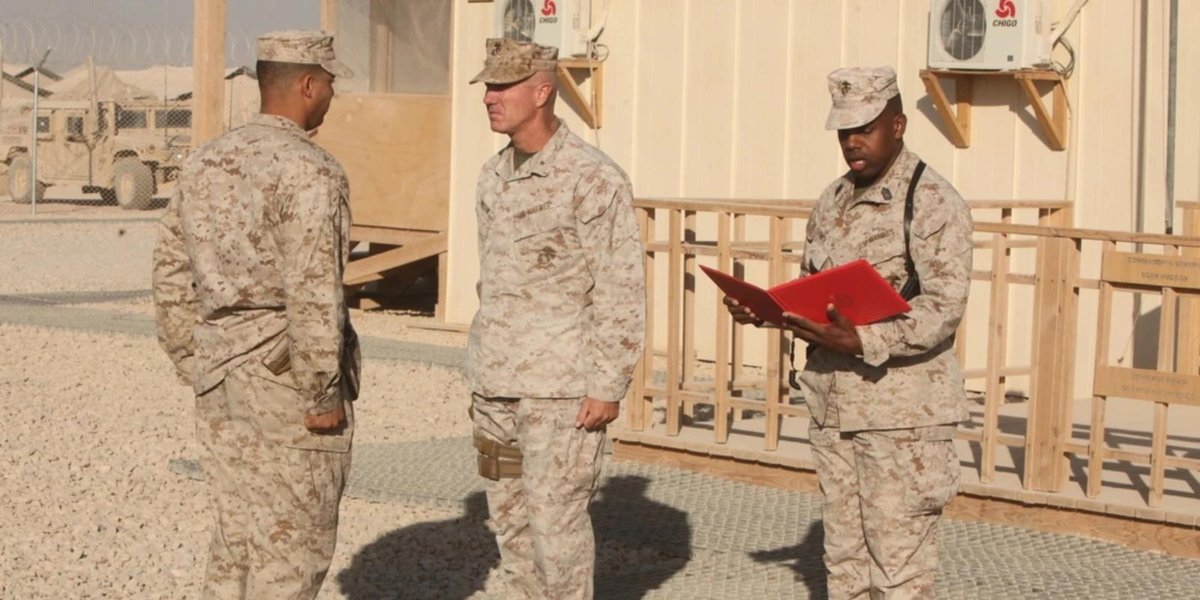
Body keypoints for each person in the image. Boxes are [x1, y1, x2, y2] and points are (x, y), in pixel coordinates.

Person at [725, 66, 972, 599]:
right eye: (844, 131)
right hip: (836, 412)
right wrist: (772, 311)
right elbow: (821, 294)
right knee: (845, 569)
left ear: (899, 124)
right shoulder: (832, 200)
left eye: (865, 128)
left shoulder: (931, 201)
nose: (852, 142)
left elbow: (945, 306)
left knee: (898, 575)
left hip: (901, 421)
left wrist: (867, 341)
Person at [152, 30, 359, 600]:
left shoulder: (205, 161)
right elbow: (315, 290)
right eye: (331, 84)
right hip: (284, 381)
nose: (333, 96)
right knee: (292, 553)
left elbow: (171, 272)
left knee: (235, 543)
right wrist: (320, 393)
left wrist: (195, 357)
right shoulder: (312, 170)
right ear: (308, 84)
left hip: (220, 374)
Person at [465, 37, 646, 600]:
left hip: (560, 392)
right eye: (488, 86)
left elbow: (620, 287)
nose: (490, 97)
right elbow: (492, 279)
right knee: (512, 528)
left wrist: (607, 384)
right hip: (496, 387)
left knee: (556, 531)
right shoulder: (493, 177)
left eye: (503, 86)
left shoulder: (592, 178)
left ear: (543, 91)